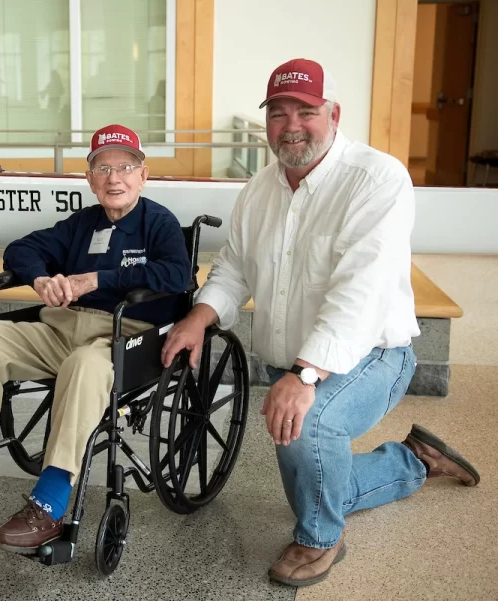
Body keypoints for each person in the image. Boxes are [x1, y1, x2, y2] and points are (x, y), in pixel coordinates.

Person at [161, 58, 480, 587]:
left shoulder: (377, 179)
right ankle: (413, 462)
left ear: (334, 113)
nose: (292, 125)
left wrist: (305, 376)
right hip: (292, 362)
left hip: (373, 356)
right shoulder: (259, 190)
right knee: (311, 483)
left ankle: (319, 542)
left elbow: (361, 289)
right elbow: (235, 268)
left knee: (309, 433)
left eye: (306, 111)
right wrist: (199, 316)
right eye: (278, 113)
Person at [0, 124, 192, 554]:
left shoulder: (159, 223)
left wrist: (98, 278)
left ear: (143, 175)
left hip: (125, 336)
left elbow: (176, 275)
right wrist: (40, 279)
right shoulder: (81, 224)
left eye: (125, 167)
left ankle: (50, 503)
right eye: (103, 168)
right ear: (90, 179)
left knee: (85, 366)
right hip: (63, 327)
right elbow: (21, 248)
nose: (115, 178)